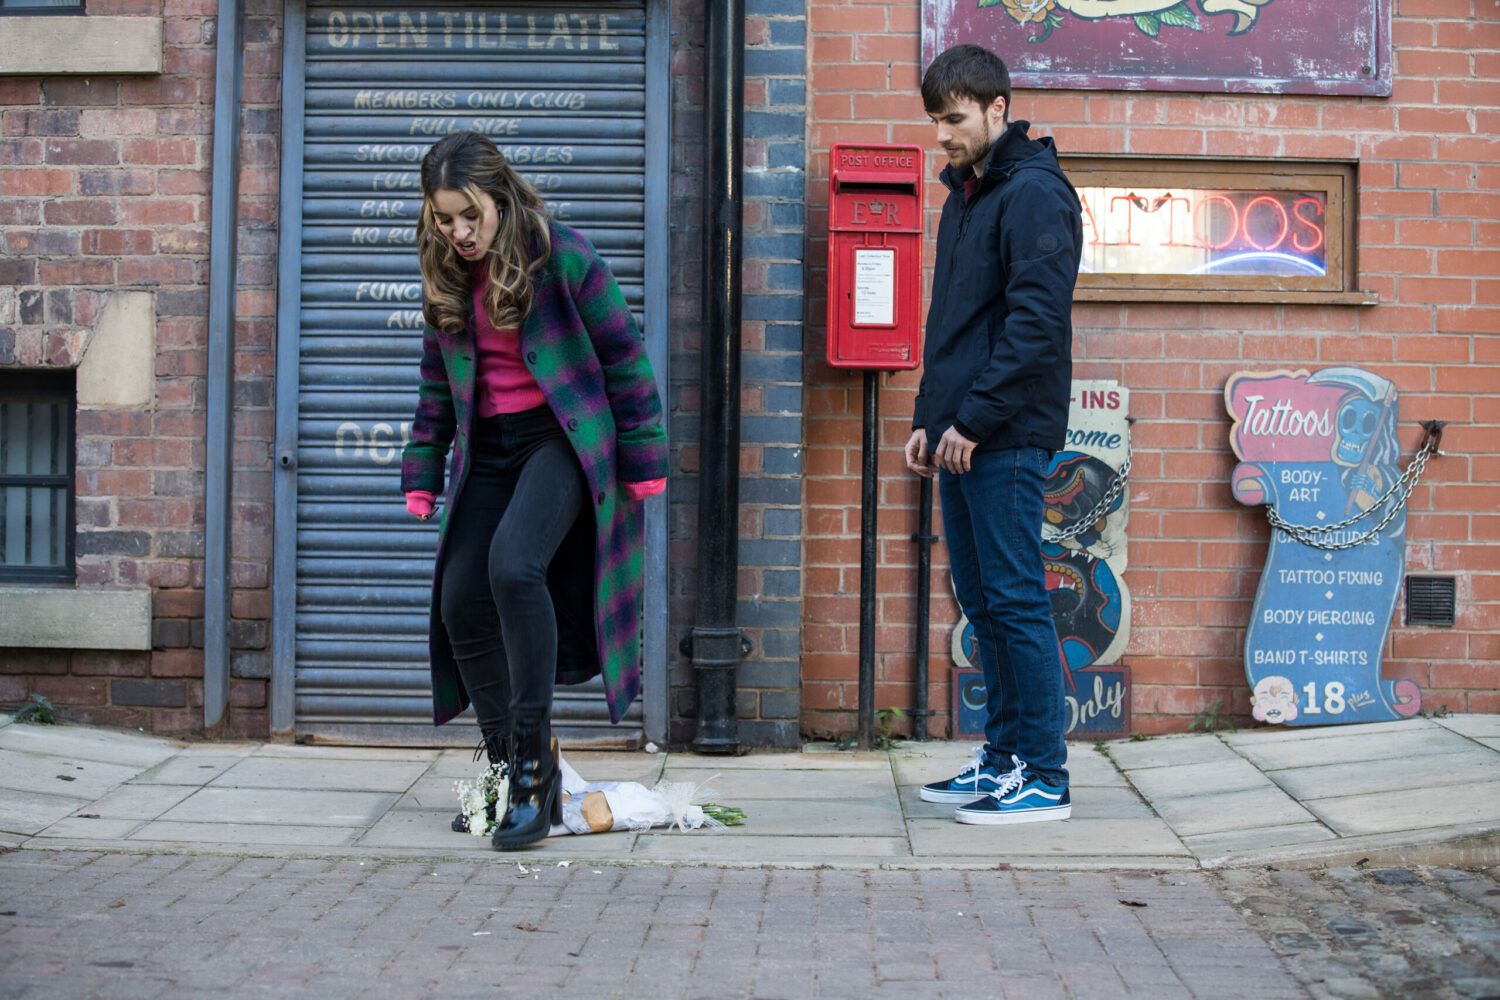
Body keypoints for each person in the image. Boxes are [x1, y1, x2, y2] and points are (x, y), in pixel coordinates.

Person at [400, 131, 667, 850]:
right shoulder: (445, 270)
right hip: (489, 448)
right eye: (444, 218)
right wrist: (423, 468)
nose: (459, 232)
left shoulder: (562, 256)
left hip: (561, 438)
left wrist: (643, 454)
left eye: (470, 215)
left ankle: (530, 776)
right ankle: (506, 765)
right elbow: (437, 386)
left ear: (501, 197)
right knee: (460, 600)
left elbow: (625, 359)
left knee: (515, 567)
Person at [904, 44, 1082, 825]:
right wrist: (928, 418)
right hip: (962, 432)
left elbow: (1036, 326)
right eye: (934, 120)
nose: (941, 134)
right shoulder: (968, 195)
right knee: (982, 600)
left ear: (997, 108)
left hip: (1004, 432)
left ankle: (1044, 774)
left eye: (953, 118)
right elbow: (953, 322)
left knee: (1014, 600)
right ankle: (1004, 758)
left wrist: (972, 419)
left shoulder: (1034, 193)